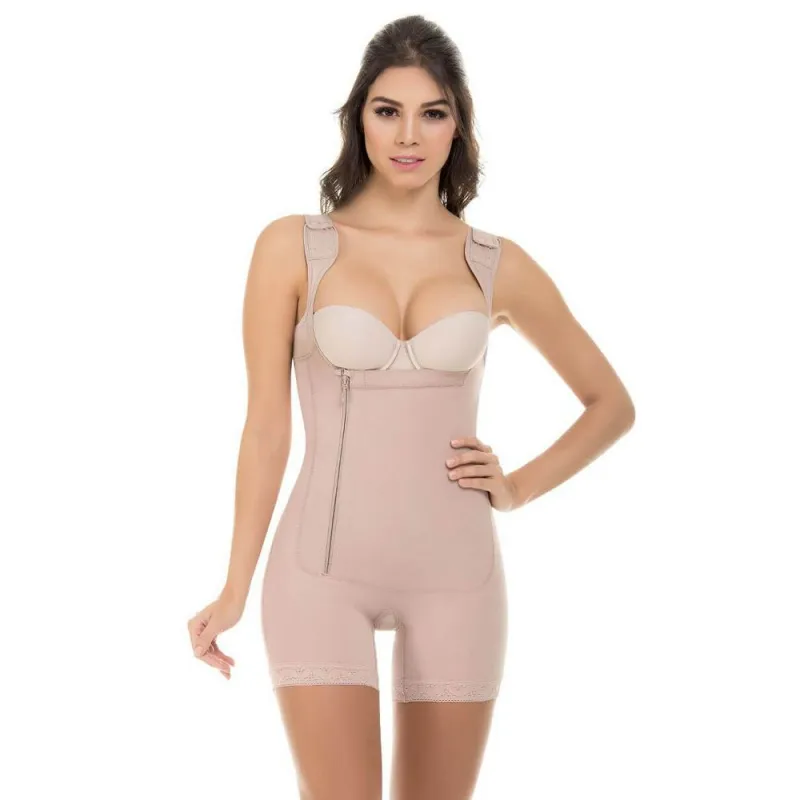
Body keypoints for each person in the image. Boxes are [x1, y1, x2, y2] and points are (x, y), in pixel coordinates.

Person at [187, 14, 635, 800]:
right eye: (387, 110)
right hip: (318, 574)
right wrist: (233, 588)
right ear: (358, 118)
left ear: (458, 126)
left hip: (458, 576)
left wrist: (517, 487)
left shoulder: (494, 263)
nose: (408, 134)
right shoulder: (294, 247)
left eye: (432, 112)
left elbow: (610, 404)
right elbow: (265, 431)